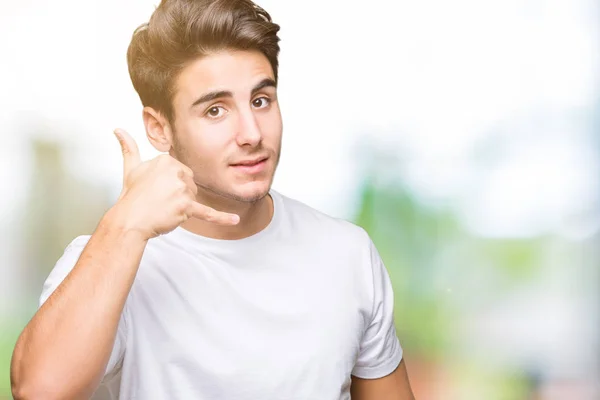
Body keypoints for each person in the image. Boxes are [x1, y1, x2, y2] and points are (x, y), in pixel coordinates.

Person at [10, 0, 415, 399]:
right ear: (159, 128)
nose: (252, 133)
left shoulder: (347, 254)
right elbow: (38, 391)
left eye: (261, 101)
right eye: (216, 110)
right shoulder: (107, 260)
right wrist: (126, 225)